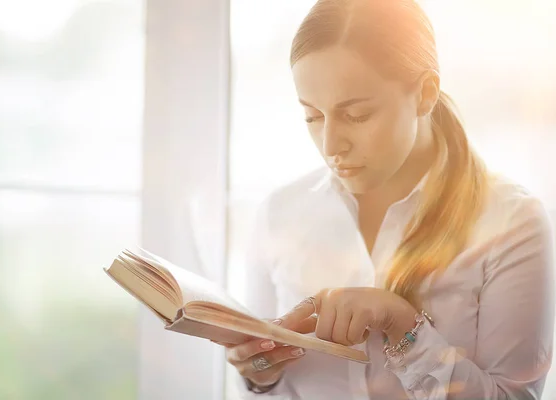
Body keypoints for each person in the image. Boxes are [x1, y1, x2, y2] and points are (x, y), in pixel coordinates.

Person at [219, 0, 555, 398]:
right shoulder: (279, 213)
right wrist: (258, 371)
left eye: (357, 115)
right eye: (312, 116)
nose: (330, 145)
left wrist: (403, 326)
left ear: (425, 94)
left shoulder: (512, 223)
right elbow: (261, 378)